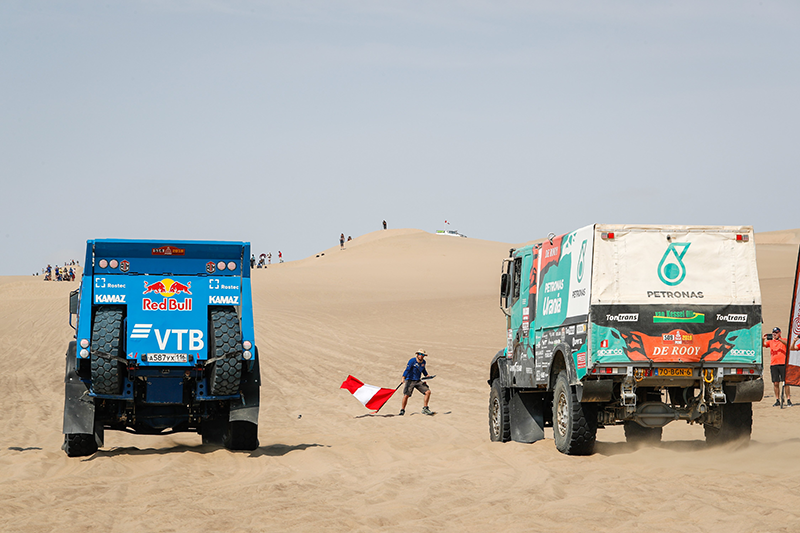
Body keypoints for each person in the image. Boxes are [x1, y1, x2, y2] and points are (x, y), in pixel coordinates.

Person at [763, 327, 791, 406]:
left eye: (776, 332)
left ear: (779, 333)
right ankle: (777, 399)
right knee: (776, 383)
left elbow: (788, 344)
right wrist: (763, 339)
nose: (774, 334)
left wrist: (779, 339)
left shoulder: (783, 340)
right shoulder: (771, 342)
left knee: (785, 382)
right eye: (773, 332)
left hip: (783, 364)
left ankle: (788, 399)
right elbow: (763, 345)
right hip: (774, 364)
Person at [400, 350, 433, 416]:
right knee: (406, 395)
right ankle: (402, 410)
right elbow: (407, 369)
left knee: (428, 392)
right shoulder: (412, 361)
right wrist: (403, 377)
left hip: (418, 380)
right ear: (417, 354)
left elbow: (423, 369)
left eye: (422, 354)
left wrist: (426, 375)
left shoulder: (423, 362)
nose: (421, 355)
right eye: (420, 354)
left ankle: (425, 408)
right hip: (410, 380)